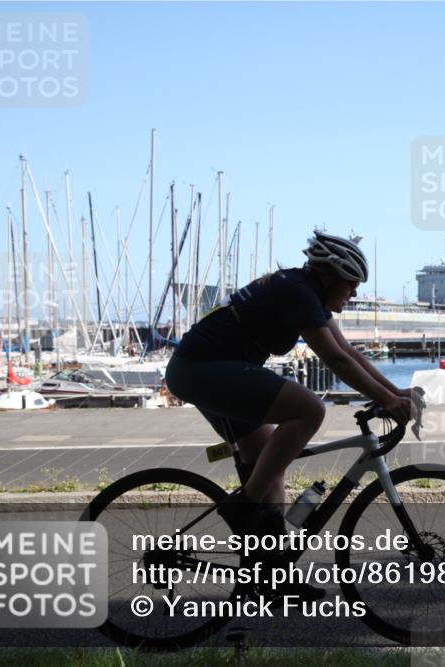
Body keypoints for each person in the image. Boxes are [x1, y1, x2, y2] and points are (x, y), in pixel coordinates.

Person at [165, 231, 416, 596]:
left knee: (270, 463)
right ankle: (243, 507)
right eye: (351, 284)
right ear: (330, 276)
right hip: (201, 369)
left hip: (209, 368)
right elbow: (336, 360)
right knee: (309, 409)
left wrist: (394, 393)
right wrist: (387, 400)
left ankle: (271, 575)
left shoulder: (306, 291)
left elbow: (348, 351)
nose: (354, 293)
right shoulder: (297, 292)